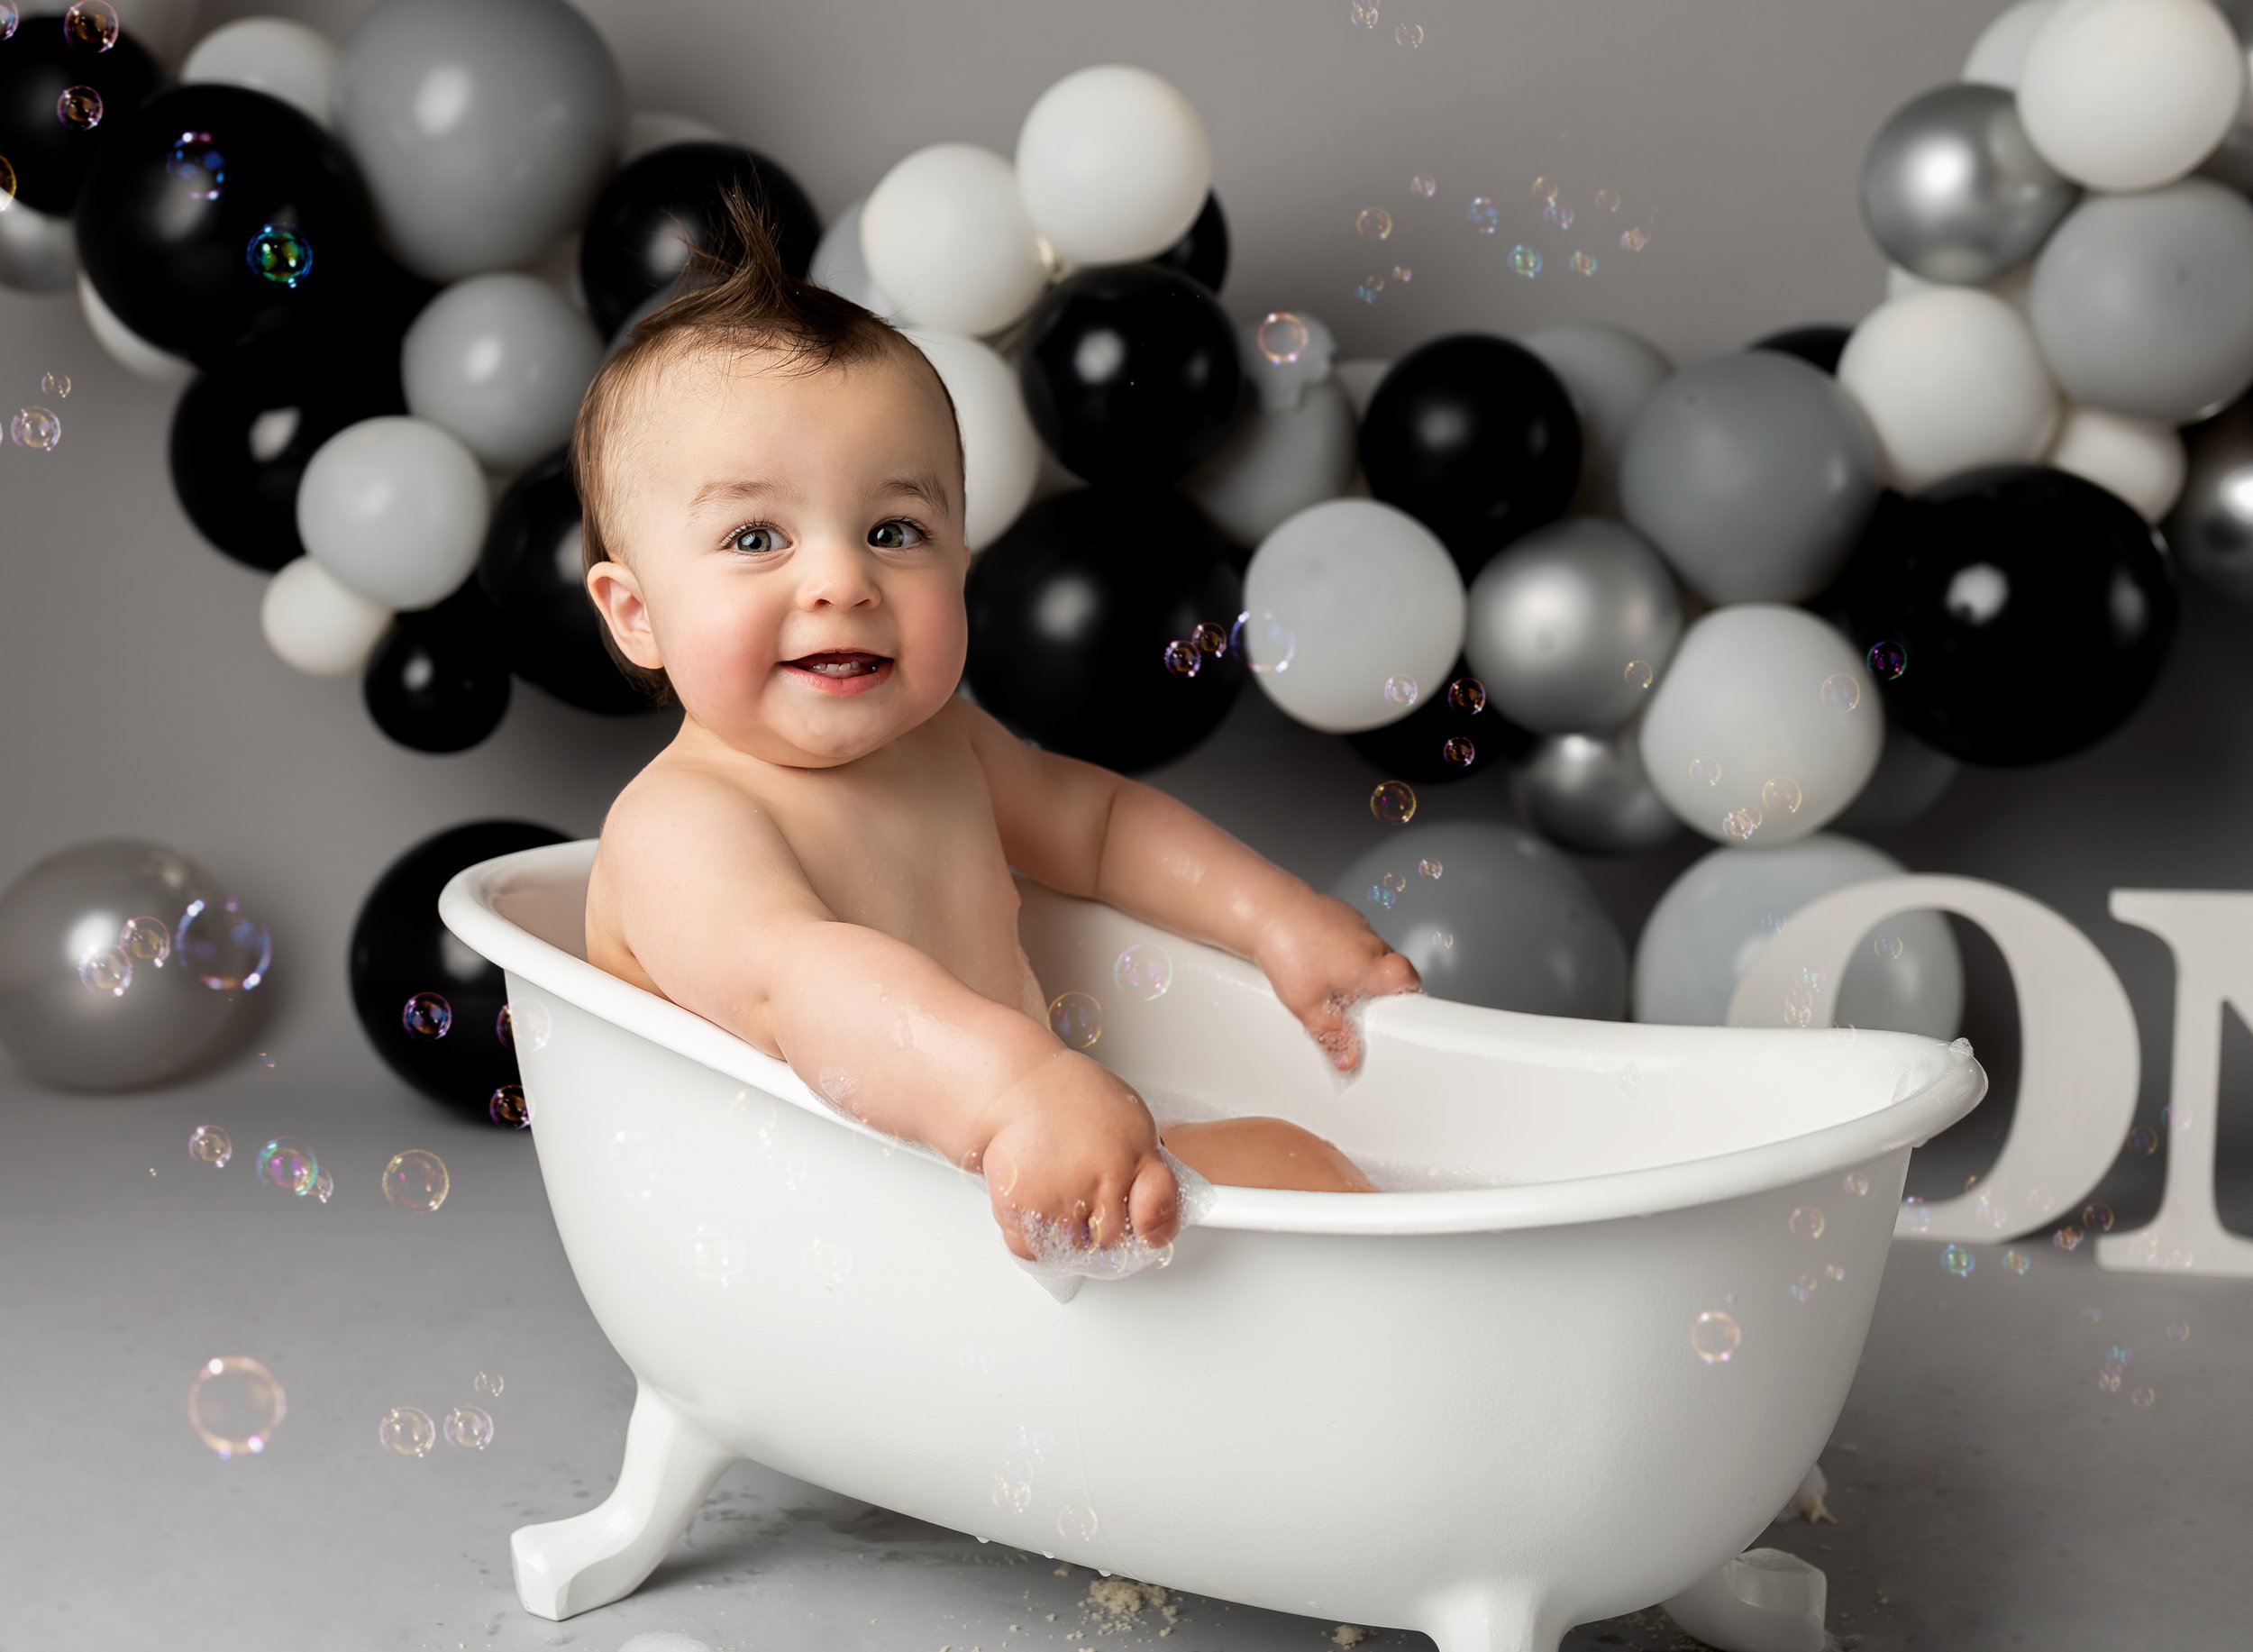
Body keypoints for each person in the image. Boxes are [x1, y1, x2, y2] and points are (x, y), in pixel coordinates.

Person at [575, 179, 1421, 1265]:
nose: (841, 579)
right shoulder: (681, 825)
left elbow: (1099, 826)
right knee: (1278, 1185)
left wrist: (1276, 922)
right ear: (636, 614)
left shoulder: (945, 746)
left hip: (1005, 1168)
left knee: (1292, 1157)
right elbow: (801, 982)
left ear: (961, 566)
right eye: (755, 539)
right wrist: (1016, 1090)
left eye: (893, 528)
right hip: (816, 1232)